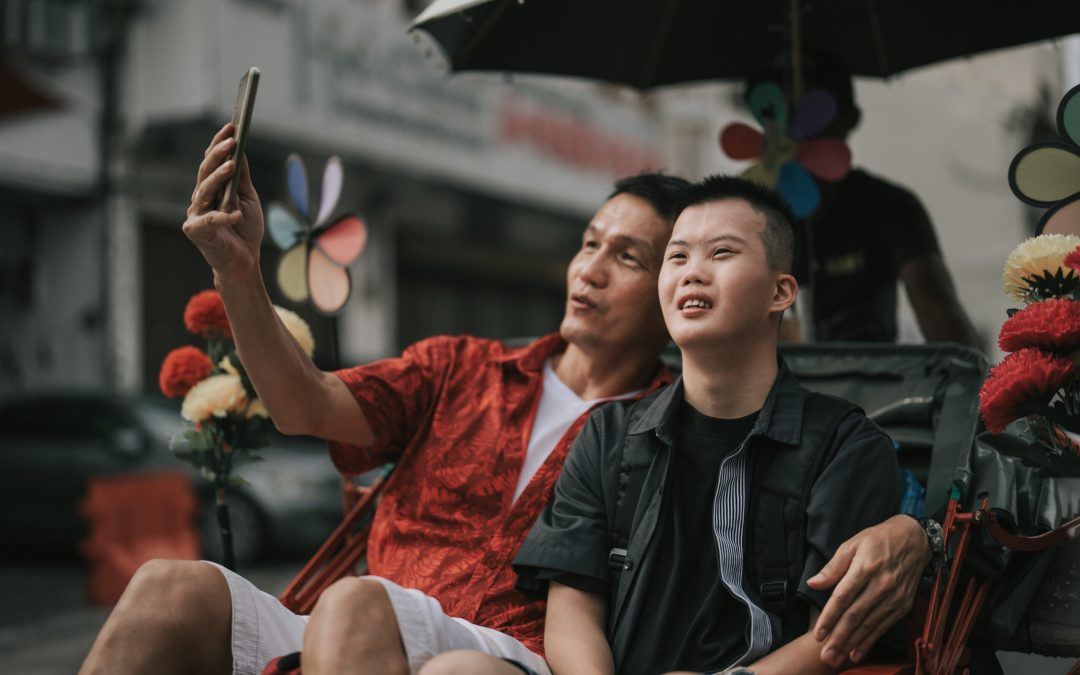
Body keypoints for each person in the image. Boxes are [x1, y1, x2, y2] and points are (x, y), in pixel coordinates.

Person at [78, 126, 932, 675]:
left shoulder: (675, 424)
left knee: (362, 606)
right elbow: (305, 405)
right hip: (354, 631)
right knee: (168, 586)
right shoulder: (463, 367)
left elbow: (816, 503)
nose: (591, 268)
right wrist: (238, 272)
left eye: (631, 256)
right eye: (590, 243)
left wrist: (912, 527)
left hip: (506, 652)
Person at [421, 176, 902, 675]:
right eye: (677, 256)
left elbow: (834, 635)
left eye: (721, 253)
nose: (693, 273)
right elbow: (572, 612)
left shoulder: (845, 446)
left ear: (780, 292)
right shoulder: (607, 434)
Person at [749, 52, 982, 348]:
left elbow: (939, 311)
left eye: (814, 110)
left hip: (866, 388)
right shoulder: (748, 215)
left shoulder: (889, 207)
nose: (794, 129)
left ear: (849, 118)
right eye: (776, 112)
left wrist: (982, 384)